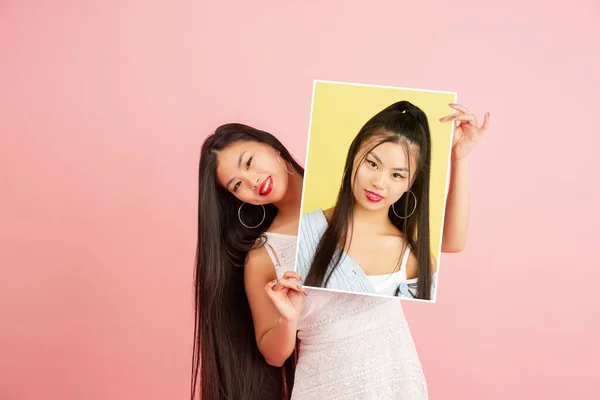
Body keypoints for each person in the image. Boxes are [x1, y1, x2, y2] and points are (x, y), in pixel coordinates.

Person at [191, 102, 490, 399]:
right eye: (237, 184)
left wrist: (459, 159)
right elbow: (274, 355)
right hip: (325, 385)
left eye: (249, 162)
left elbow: (451, 243)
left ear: (272, 147)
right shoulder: (263, 254)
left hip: (396, 377)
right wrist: (287, 318)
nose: (253, 181)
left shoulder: (366, 191)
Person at [298, 100, 440, 300]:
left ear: (411, 183)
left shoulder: (413, 262)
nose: (379, 183)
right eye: (372, 164)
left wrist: (460, 159)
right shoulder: (303, 230)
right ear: (354, 155)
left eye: (397, 175)